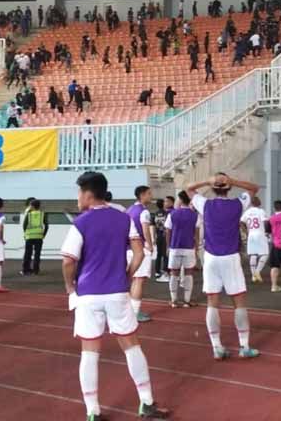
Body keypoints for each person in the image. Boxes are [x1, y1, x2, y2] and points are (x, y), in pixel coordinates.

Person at [61, 172, 170, 420]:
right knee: (131, 346)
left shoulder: (81, 223)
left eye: (79, 192)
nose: (78, 198)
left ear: (88, 193)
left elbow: (68, 260)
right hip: (118, 291)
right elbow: (139, 253)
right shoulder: (123, 219)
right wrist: (127, 275)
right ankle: (147, 403)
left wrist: (70, 287)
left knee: (89, 352)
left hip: (88, 294)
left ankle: (93, 411)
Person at [186, 173, 261, 360]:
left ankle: (217, 347)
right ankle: (244, 346)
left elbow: (188, 189)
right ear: (228, 188)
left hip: (211, 258)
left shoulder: (205, 204)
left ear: (213, 188)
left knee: (213, 302)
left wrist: (206, 180)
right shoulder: (238, 204)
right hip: (230, 257)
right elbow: (254, 188)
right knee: (239, 301)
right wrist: (234, 181)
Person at [165, 191, 200, 308]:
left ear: (180, 200)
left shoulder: (173, 214)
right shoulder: (195, 215)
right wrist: (196, 248)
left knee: (174, 273)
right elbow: (197, 234)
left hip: (175, 247)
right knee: (189, 273)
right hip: (189, 247)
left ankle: (174, 300)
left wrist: (168, 246)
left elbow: (168, 231)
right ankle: (186, 301)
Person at [126, 186, 155, 323]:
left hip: (129, 248)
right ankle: (135, 313)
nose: (151, 196)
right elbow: (145, 229)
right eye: (149, 194)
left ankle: (132, 310)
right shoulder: (144, 212)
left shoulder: (129, 210)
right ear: (142, 195)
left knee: (134, 279)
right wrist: (149, 244)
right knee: (139, 280)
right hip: (140, 248)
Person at [240, 196, 270, 284]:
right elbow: (265, 222)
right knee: (265, 254)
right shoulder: (261, 211)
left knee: (253, 254)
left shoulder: (247, 212)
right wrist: (267, 232)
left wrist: (246, 231)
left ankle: (253, 276)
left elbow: (241, 222)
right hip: (260, 233)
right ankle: (257, 272)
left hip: (251, 234)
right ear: (257, 202)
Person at [20, 199, 47, 275]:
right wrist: (43, 235)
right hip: (39, 237)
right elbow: (47, 226)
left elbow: (24, 225)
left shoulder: (29, 214)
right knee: (37, 254)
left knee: (28, 253)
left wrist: (25, 234)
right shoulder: (42, 214)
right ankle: (36, 270)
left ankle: (26, 270)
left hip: (29, 237)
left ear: (32, 206)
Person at [152, 199, 169, 283]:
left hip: (158, 236)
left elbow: (153, 226)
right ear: (163, 204)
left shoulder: (154, 214)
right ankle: (165, 271)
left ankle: (157, 271)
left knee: (158, 254)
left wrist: (154, 237)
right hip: (165, 236)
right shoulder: (167, 213)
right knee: (165, 254)